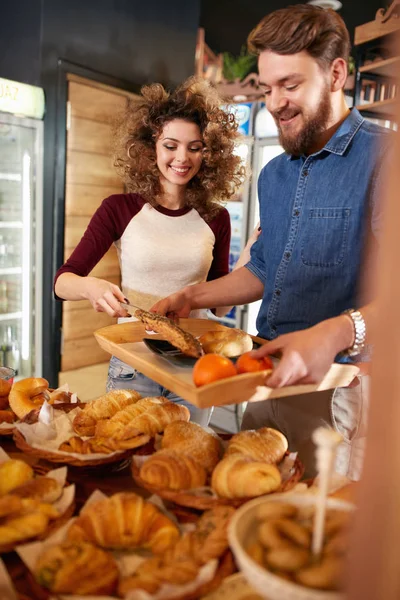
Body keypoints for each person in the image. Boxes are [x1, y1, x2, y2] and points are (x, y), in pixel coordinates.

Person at [152, 5, 391, 477]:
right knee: (247, 504)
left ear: (336, 73)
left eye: (291, 84)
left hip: (340, 393)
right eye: (267, 87)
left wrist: (334, 333)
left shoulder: (386, 160)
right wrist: (192, 296)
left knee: (318, 540)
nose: (275, 102)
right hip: (262, 376)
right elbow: (265, 269)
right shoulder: (275, 173)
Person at [54, 76, 246, 426]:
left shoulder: (216, 218)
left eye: (195, 147)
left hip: (194, 365)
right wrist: (90, 287)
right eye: (170, 145)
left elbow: (221, 303)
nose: (182, 158)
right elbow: (62, 281)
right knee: (128, 463)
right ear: (150, 147)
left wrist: (250, 253)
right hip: (133, 363)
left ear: (211, 152)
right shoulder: (118, 209)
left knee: (186, 465)